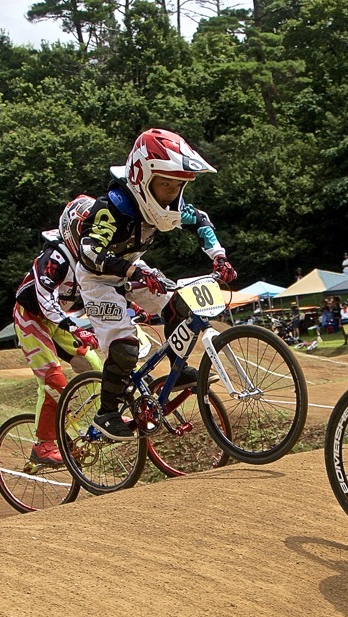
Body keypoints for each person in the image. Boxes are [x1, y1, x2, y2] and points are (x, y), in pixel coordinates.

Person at [74, 128, 237, 441]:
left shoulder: (169, 206)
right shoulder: (112, 207)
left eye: (178, 186)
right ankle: (107, 413)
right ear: (141, 178)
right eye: (165, 184)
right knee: (125, 348)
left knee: (181, 305)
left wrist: (219, 257)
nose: (172, 194)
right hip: (96, 278)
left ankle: (176, 371)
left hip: (133, 270)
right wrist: (131, 271)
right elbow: (90, 253)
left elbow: (201, 220)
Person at [13, 198, 104, 464]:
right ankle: (43, 444)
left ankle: (103, 418)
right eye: (84, 231)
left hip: (56, 319)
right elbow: (44, 299)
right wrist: (77, 328)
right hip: (30, 317)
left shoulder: (89, 258)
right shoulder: (54, 256)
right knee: (54, 381)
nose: (89, 238)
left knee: (93, 365)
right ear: (70, 229)